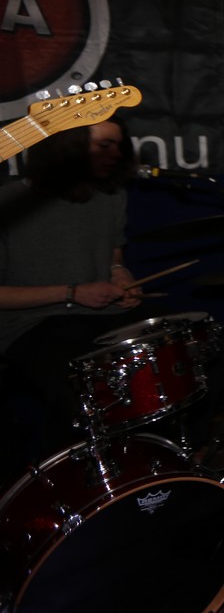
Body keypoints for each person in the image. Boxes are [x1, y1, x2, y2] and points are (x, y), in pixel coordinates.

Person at [0, 118, 144, 480]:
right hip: (29, 325)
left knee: (196, 340)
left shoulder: (111, 195)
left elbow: (113, 255)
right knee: (79, 383)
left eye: (119, 145)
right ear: (66, 148)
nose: (116, 154)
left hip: (100, 316)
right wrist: (72, 292)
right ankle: (68, 483)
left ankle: (167, 460)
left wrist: (119, 274)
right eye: (104, 145)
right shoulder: (8, 202)